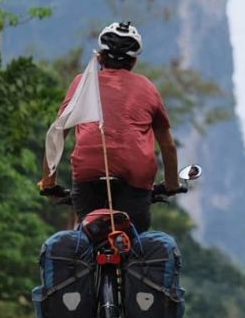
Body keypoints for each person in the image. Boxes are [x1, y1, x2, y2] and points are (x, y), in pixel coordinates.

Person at [38, 21, 179, 231]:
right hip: (135, 176)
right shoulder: (148, 88)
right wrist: (171, 185)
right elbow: (168, 147)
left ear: (100, 56)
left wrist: (49, 183)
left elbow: (57, 135)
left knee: (85, 236)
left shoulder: (82, 83)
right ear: (132, 62)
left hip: (88, 173)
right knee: (136, 240)